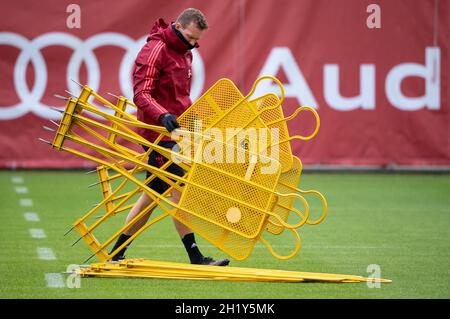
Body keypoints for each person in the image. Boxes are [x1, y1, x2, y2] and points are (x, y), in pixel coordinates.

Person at [109, 8, 230, 266]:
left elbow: (180, 97)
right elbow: (141, 94)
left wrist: (191, 121)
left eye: (197, 41)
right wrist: (162, 116)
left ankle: (116, 253)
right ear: (179, 28)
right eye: (191, 38)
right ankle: (196, 257)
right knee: (180, 191)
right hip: (157, 134)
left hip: (176, 132)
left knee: (152, 194)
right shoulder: (156, 49)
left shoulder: (186, 52)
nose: (194, 45)